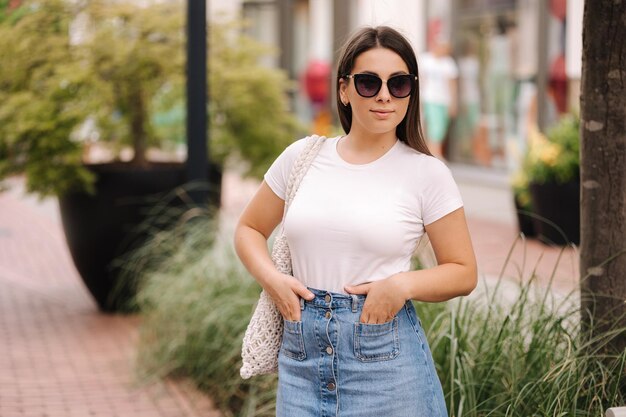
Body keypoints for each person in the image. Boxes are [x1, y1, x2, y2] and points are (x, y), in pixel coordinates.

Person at [234, 26, 477, 417]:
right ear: (344, 89)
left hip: (386, 362)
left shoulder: (427, 174)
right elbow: (248, 229)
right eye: (368, 82)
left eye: (398, 84)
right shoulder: (302, 157)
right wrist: (274, 281)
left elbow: (463, 271)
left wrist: (400, 285)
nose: (384, 95)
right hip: (301, 359)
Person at [420, 38, 459, 159]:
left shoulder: (448, 63)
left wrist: (453, 103)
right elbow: (421, 80)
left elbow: (452, 84)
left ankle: (433, 153)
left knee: (441, 128)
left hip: (444, 100)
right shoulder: (425, 59)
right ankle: (435, 154)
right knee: (434, 126)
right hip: (430, 98)